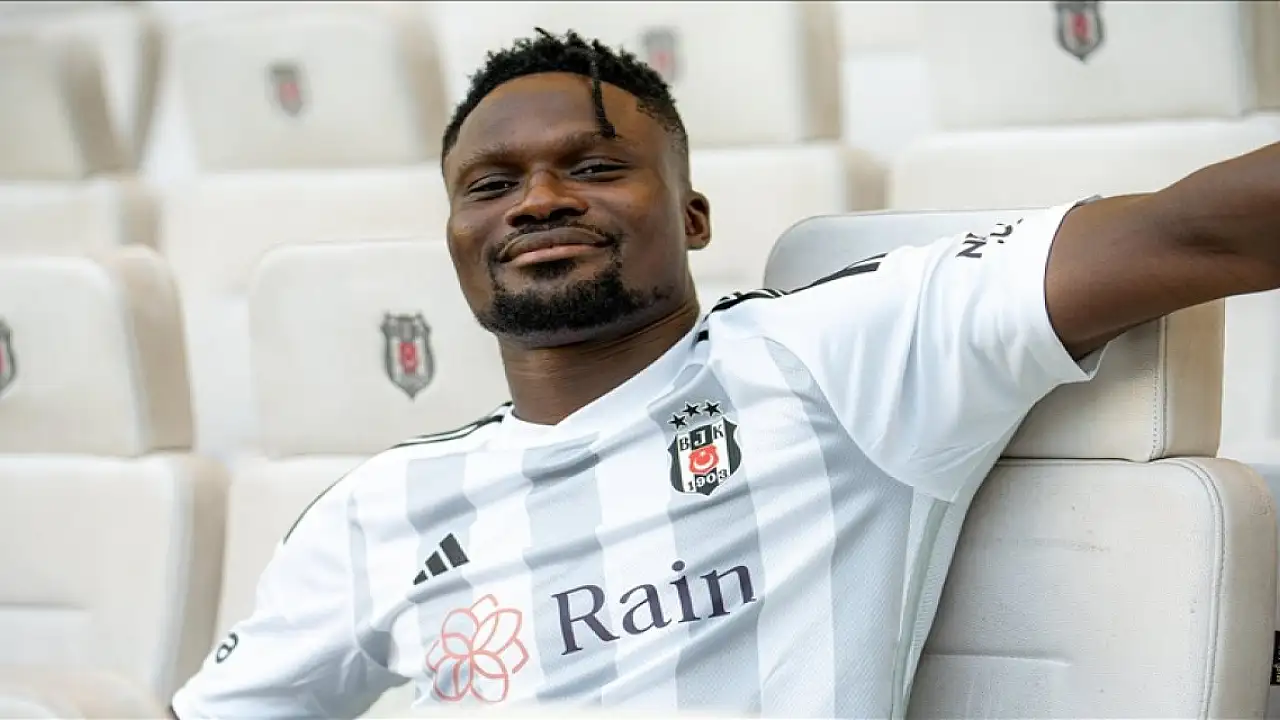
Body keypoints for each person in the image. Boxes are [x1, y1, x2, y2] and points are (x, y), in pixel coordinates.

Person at [171, 28, 1280, 719]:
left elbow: (1194, 232)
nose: (540, 201)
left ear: (694, 216)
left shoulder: (836, 358)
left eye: (594, 166)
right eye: (490, 185)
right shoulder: (376, 508)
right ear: (457, 236)